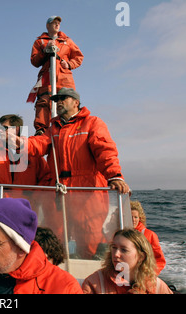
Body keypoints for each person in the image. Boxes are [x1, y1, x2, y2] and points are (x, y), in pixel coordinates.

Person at [16, 88, 130, 258]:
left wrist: (114, 175)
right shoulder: (53, 128)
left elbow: (105, 150)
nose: (59, 102)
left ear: (76, 102)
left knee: (89, 234)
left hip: (88, 190)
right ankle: (53, 270)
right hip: (59, 189)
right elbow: (39, 143)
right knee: (55, 232)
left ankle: (89, 274)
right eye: (57, 99)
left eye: (63, 98)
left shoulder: (92, 123)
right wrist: (21, 143)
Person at [0, 114, 51, 210]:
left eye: (5, 128)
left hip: (27, 207)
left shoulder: (34, 155)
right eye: (0, 128)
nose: (1, 131)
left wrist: (35, 197)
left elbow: (46, 177)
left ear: (16, 129)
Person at [27, 16, 84, 135]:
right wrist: (45, 50)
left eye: (58, 22)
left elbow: (79, 57)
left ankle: (69, 125)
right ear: (47, 26)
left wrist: (69, 64)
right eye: (53, 23)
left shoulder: (67, 41)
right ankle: (41, 129)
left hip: (65, 78)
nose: (57, 24)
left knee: (67, 101)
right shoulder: (40, 41)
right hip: (47, 77)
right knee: (44, 101)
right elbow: (34, 61)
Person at [82, 228, 173, 294]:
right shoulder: (94, 283)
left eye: (124, 250)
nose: (116, 254)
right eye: (114, 248)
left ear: (141, 257)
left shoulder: (157, 286)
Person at [131, 200, 166, 275]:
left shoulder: (150, 235)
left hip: (143, 275)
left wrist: (150, 275)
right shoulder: (120, 234)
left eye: (136, 217)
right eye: (130, 217)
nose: (133, 220)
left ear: (140, 218)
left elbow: (159, 260)